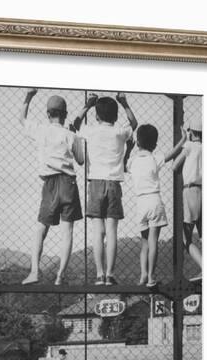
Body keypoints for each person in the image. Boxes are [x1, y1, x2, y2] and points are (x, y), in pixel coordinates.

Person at [20, 88, 85, 286]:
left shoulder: (40, 130)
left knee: (41, 228)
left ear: (48, 114)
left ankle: (34, 271)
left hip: (49, 184)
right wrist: (76, 138)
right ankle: (60, 275)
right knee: (68, 231)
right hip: (69, 183)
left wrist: (28, 97)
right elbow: (81, 160)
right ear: (65, 115)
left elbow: (22, 119)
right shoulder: (70, 135)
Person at [73, 93, 138, 285]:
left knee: (97, 231)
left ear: (97, 116)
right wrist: (125, 103)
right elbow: (134, 123)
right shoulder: (119, 132)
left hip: (95, 183)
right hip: (114, 183)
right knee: (111, 231)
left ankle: (99, 274)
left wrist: (87, 104)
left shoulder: (90, 131)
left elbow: (75, 124)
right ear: (116, 116)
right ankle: (110, 274)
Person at [126, 124, 187, 287]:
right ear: (154, 144)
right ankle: (152, 277)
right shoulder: (155, 158)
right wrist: (183, 139)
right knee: (153, 241)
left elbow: (125, 163)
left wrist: (128, 148)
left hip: (140, 203)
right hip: (154, 200)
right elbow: (172, 154)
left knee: (144, 242)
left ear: (137, 142)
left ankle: (143, 275)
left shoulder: (132, 161)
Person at [172, 115, 203, 281]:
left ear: (191, 132)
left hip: (190, 191)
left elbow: (174, 165)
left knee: (186, 237)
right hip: (205, 191)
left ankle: (204, 266)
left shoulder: (189, 146)